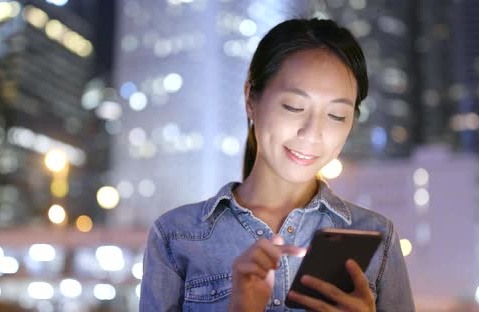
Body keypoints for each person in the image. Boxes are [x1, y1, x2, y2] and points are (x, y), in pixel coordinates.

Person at [140, 18, 415, 311]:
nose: (312, 134)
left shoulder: (377, 238)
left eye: (336, 116)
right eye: (294, 107)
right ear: (251, 98)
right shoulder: (176, 236)